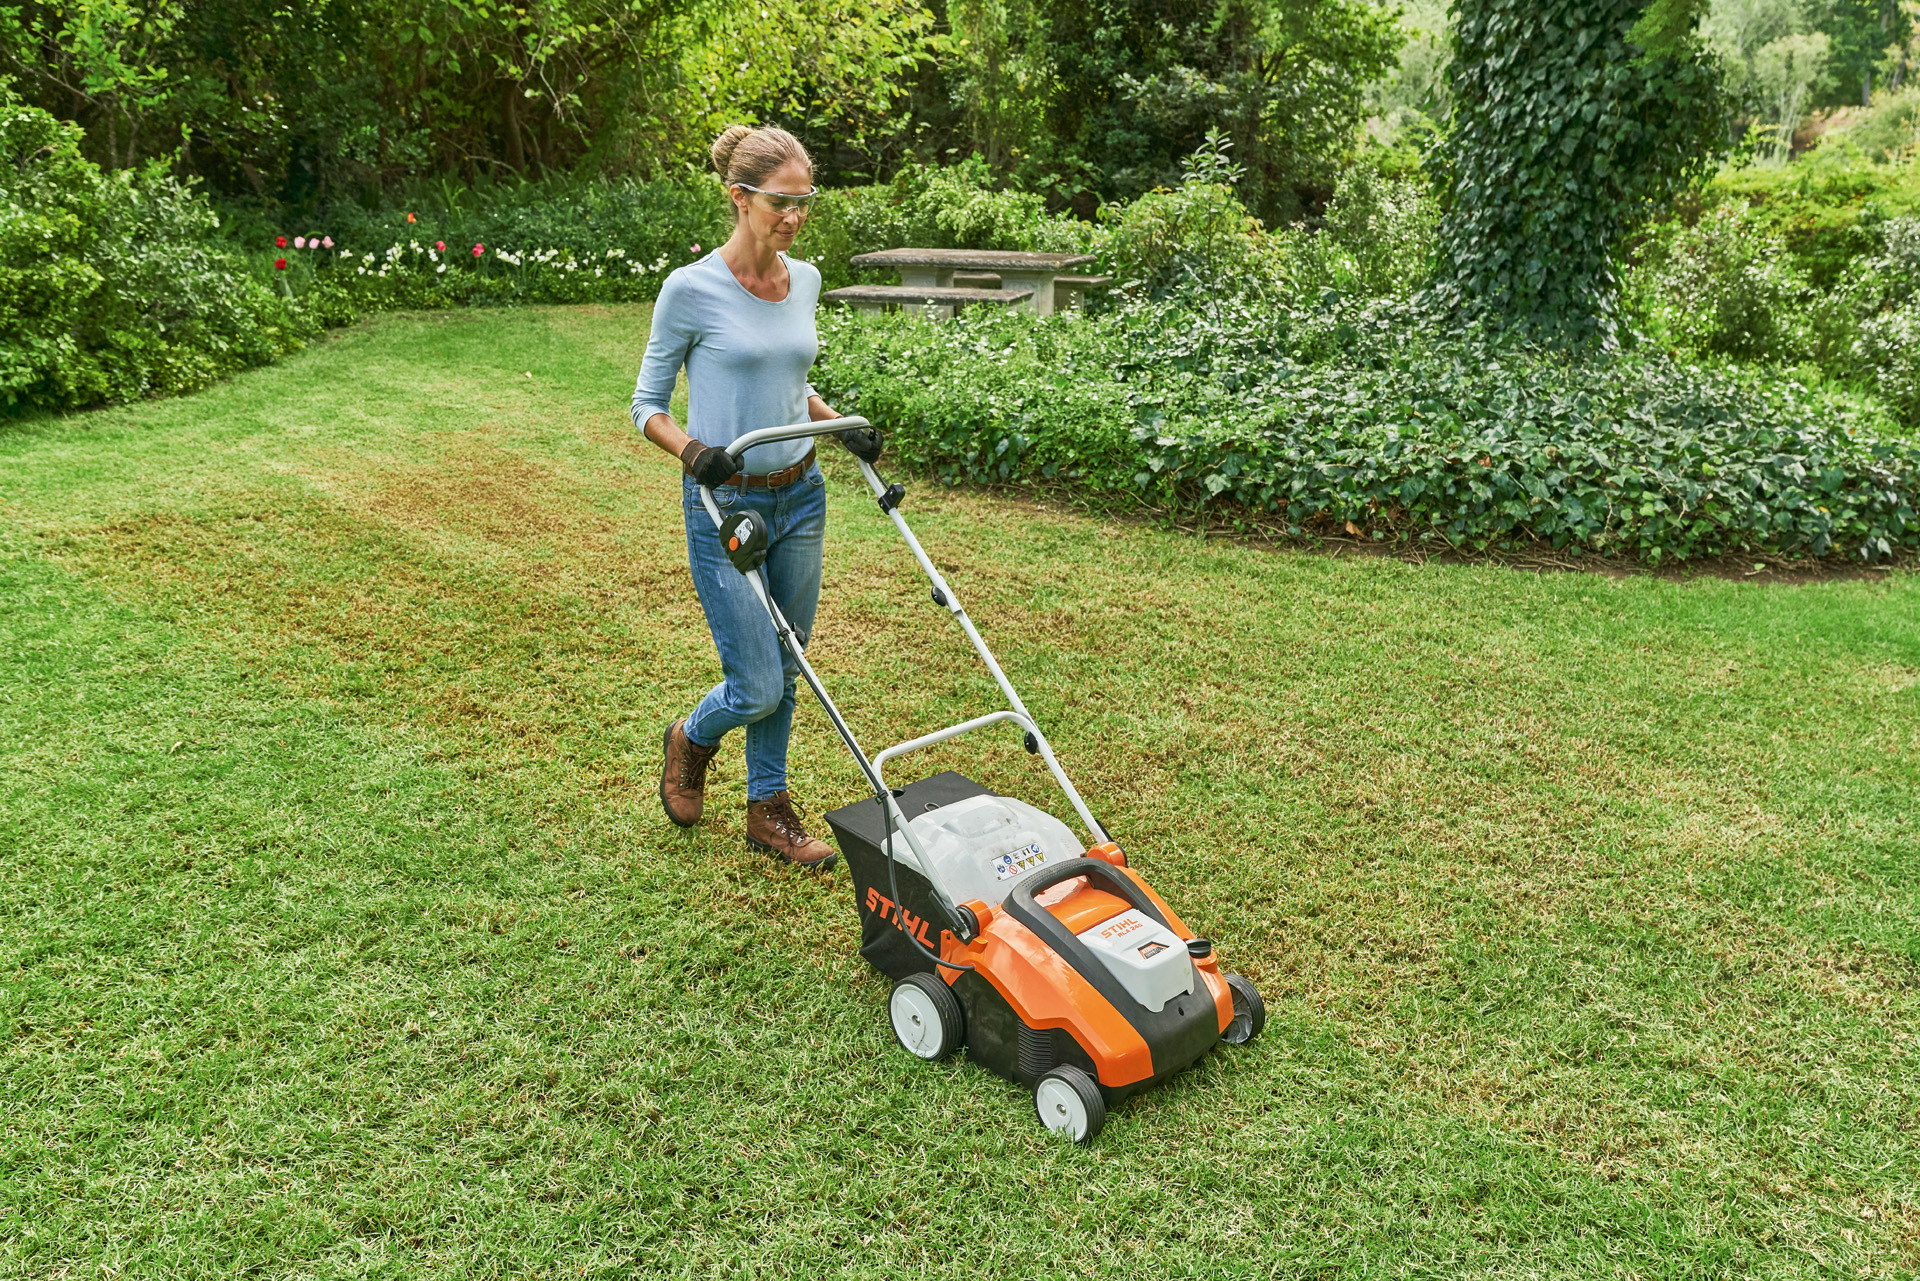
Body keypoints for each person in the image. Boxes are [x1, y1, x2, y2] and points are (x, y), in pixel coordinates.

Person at [630, 123, 881, 869]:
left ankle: (767, 808)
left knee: (789, 660)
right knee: (757, 684)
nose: (795, 217)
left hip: (801, 494)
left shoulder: (805, 280)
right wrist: (693, 452)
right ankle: (692, 737)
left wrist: (839, 425)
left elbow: (791, 384)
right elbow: (645, 405)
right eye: (781, 202)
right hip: (726, 505)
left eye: (805, 202)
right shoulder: (690, 289)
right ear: (739, 197)